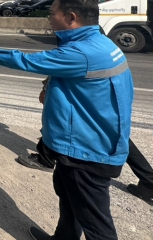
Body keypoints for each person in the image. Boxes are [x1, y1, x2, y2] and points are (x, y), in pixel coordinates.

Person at [0, 0, 133, 240]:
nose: (48, 18)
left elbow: (27, 61)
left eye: (52, 13)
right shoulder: (101, 43)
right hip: (86, 143)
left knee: (96, 224)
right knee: (70, 201)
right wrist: (51, 88)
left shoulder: (81, 53)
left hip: (86, 151)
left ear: (71, 18)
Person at [17, 79, 153, 204]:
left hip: (86, 85)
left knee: (61, 110)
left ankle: (46, 159)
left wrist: (46, 88)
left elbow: (64, 64)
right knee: (110, 131)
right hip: (104, 85)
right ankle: (148, 179)